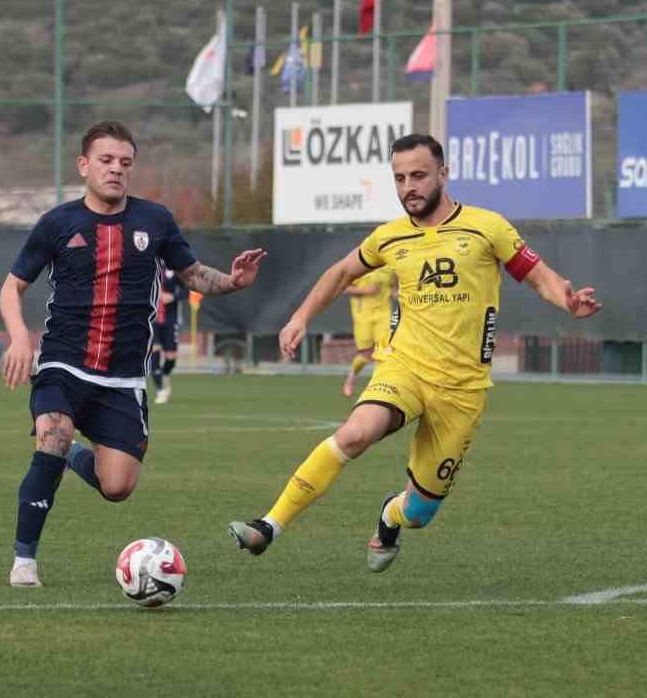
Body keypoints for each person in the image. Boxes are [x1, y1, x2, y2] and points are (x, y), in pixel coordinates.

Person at [228, 134, 601, 571]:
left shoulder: (487, 227)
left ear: (443, 173)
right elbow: (342, 271)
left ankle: (390, 515)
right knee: (354, 433)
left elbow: (537, 276)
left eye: (419, 175)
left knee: (419, 513)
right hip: (404, 366)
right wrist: (300, 317)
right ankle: (269, 525)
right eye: (400, 177)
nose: (409, 186)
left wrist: (567, 301)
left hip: (463, 389)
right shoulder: (390, 237)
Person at [0, 120, 266, 587]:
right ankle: (25, 561)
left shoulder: (155, 220)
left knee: (117, 487)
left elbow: (194, 274)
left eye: (125, 162)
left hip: (122, 379)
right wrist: (20, 337)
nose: (116, 170)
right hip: (63, 362)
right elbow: (12, 286)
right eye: (105, 160)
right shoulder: (58, 223)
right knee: (52, 437)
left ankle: (71, 454)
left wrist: (232, 282)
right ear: (84, 165)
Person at [341, 262, 398, 397]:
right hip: (363, 314)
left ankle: (379, 386)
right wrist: (364, 291)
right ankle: (352, 378)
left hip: (383, 313)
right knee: (365, 354)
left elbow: (394, 286)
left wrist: (397, 293)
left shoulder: (390, 267)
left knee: (385, 351)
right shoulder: (359, 266)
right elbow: (345, 288)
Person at [149, 262, 189, 404]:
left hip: (170, 321)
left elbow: (186, 291)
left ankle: (165, 374)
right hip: (152, 321)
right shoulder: (148, 267)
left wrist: (172, 296)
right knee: (154, 356)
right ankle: (160, 391)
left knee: (170, 358)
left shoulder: (174, 270)